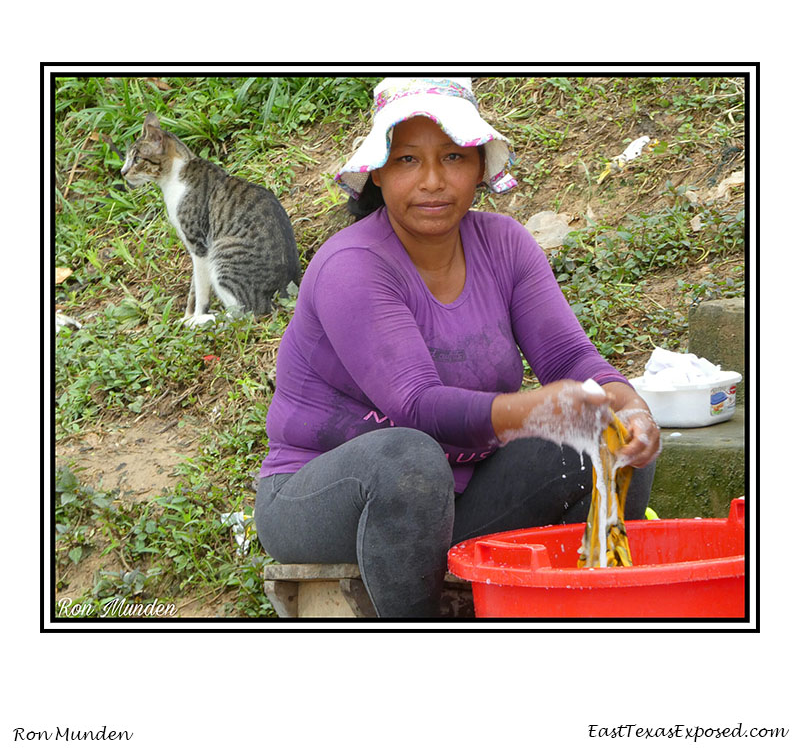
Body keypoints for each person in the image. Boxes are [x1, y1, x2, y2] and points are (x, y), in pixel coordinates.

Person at [254, 77, 660, 618]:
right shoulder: (351, 265)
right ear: (378, 172)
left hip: (459, 492)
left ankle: (587, 618)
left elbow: (569, 359)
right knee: (407, 458)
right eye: (407, 160)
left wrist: (629, 405)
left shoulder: (505, 246)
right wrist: (533, 410)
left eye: (452, 157)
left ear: (479, 167)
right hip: (327, 494)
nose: (433, 181)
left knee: (611, 435)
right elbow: (416, 405)